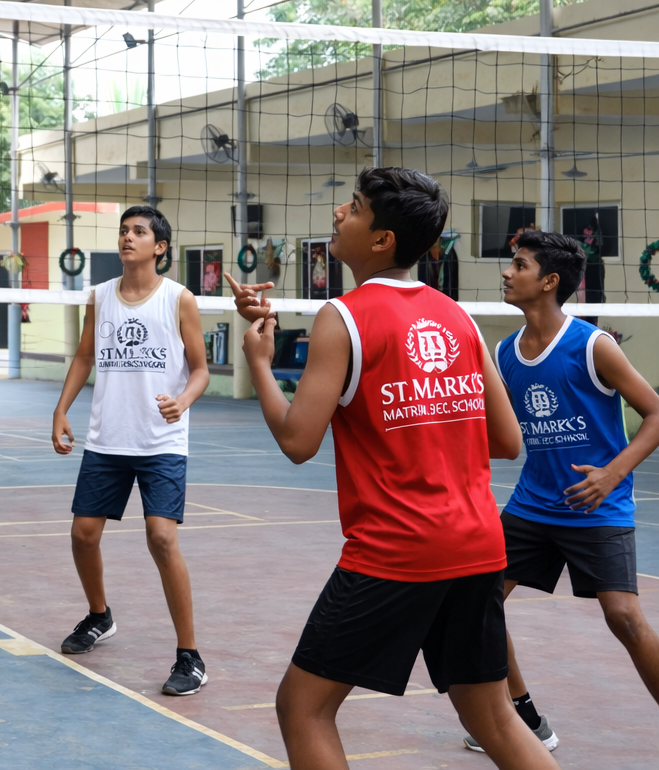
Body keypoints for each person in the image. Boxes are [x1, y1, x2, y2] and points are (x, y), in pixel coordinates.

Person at [226, 167, 559, 770]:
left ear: (381, 239)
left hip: (397, 549)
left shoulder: (343, 317)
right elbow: (508, 441)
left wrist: (258, 360)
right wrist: (429, 425)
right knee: (494, 718)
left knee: (302, 708)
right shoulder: (457, 317)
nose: (338, 214)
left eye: (352, 207)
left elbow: (299, 441)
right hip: (478, 544)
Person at [459, 231, 659, 753]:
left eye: (519, 265)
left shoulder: (592, 346)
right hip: (532, 505)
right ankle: (524, 717)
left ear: (548, 282)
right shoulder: (504, 354)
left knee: (624, 617)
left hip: (597, 507)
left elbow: (656, 413)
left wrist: (612, 474)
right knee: (479, 602)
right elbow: (492, 432)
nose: (507, 272)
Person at [51, 205, 211, 695]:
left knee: (162, 539)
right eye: (124, 231)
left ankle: (190, 656)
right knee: (83, 534)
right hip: (108, 438)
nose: (128, 238)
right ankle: (100, 616)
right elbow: (84, 355)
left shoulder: (179, 299)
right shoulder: (99, 296)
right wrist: (61, 411)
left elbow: (201, 369)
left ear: (160, 247)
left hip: (160, 441)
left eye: (139, 232)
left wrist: (182, 400)